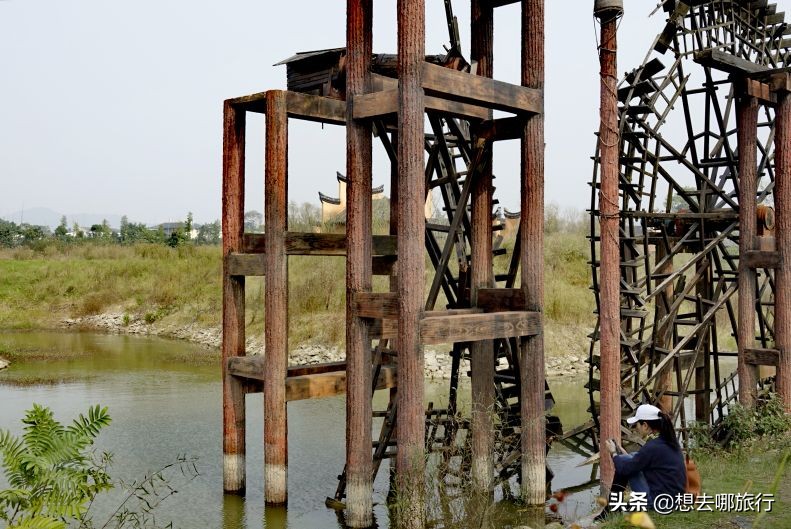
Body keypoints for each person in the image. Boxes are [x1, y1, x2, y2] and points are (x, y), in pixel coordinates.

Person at [595, 404, 687, 519]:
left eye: (636, 424)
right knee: (630, 457)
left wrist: (613, 453)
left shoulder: (652, 447)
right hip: (674, 501)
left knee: (624, 464)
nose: (635, 428)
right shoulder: (668, 442)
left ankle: (610, 510)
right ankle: (612, 508)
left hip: (659, 504)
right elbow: (639, 461)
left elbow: (626, 468)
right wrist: (621, 451)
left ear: (645, 425)